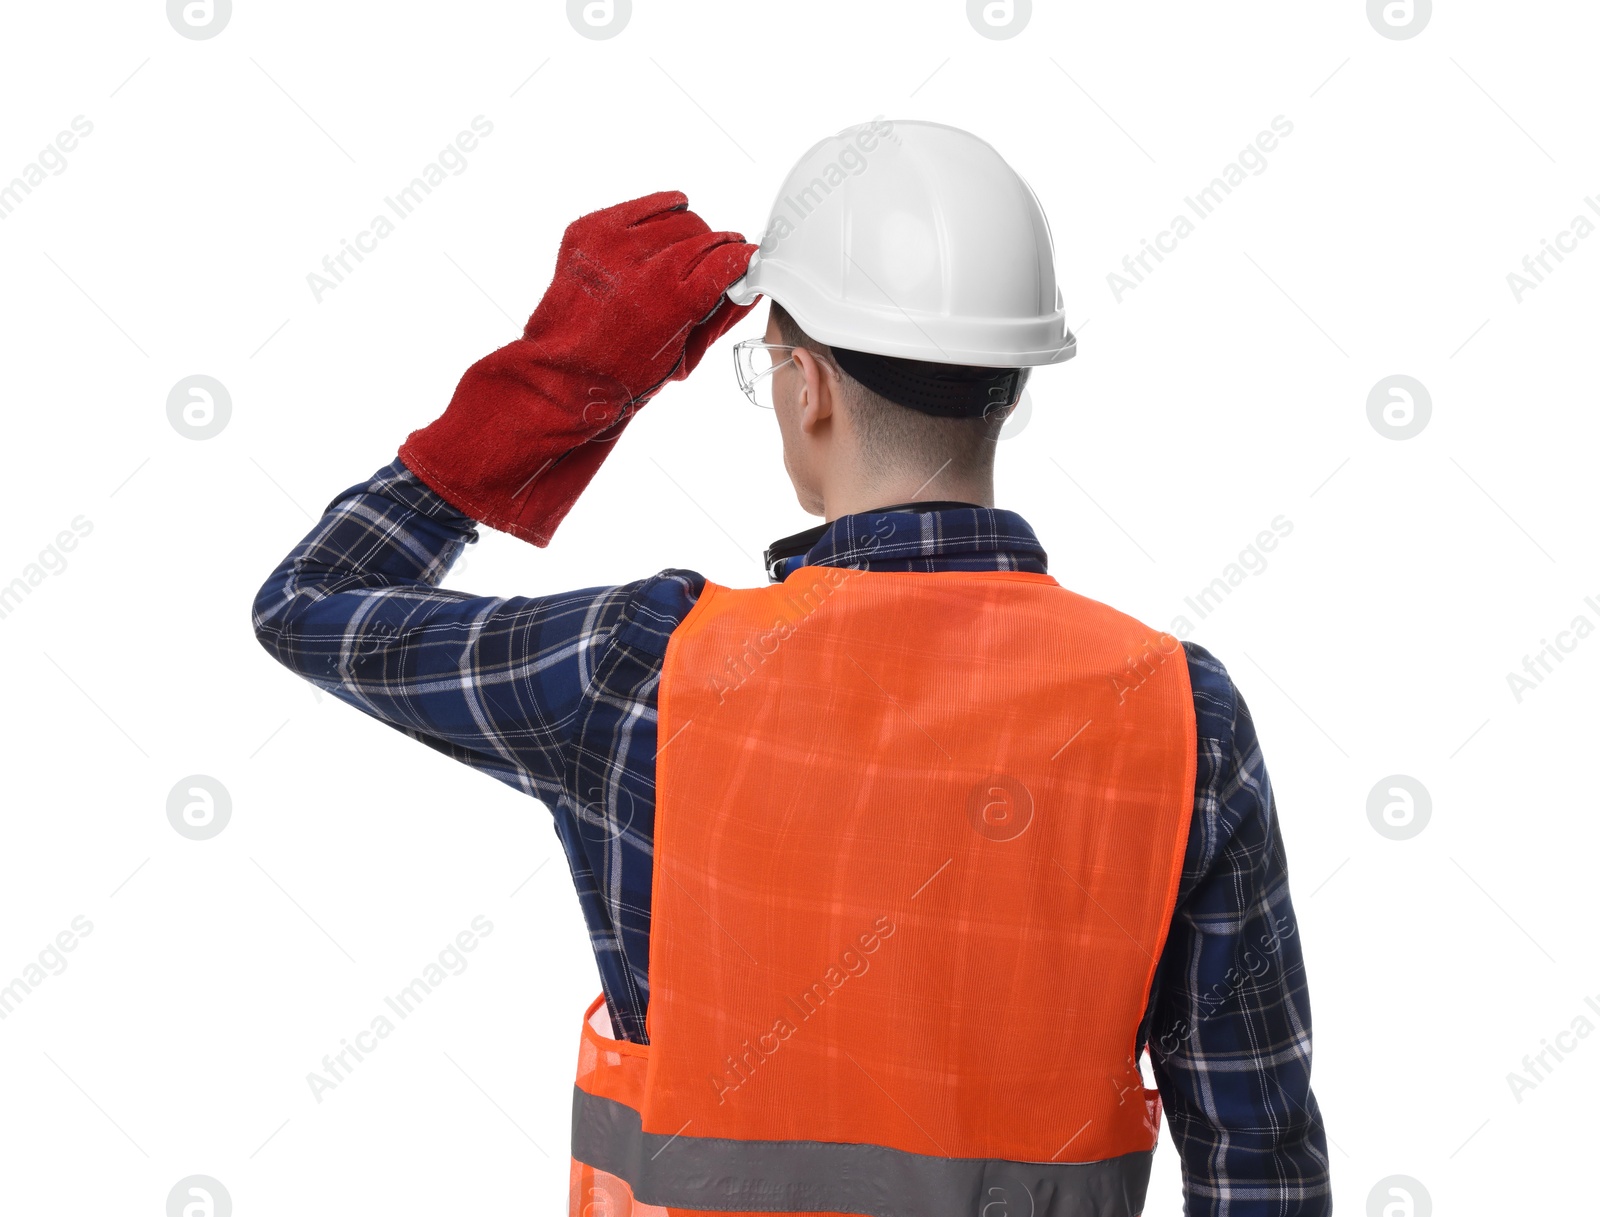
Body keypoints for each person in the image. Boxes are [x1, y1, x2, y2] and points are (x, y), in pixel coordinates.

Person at [254, 121, 1329, 1217]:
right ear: (1007, 386)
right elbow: (1264, 1164)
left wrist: (563, 381)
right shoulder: (1175, 708)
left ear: (804, 383)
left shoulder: (639, 671)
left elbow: (311, 606)